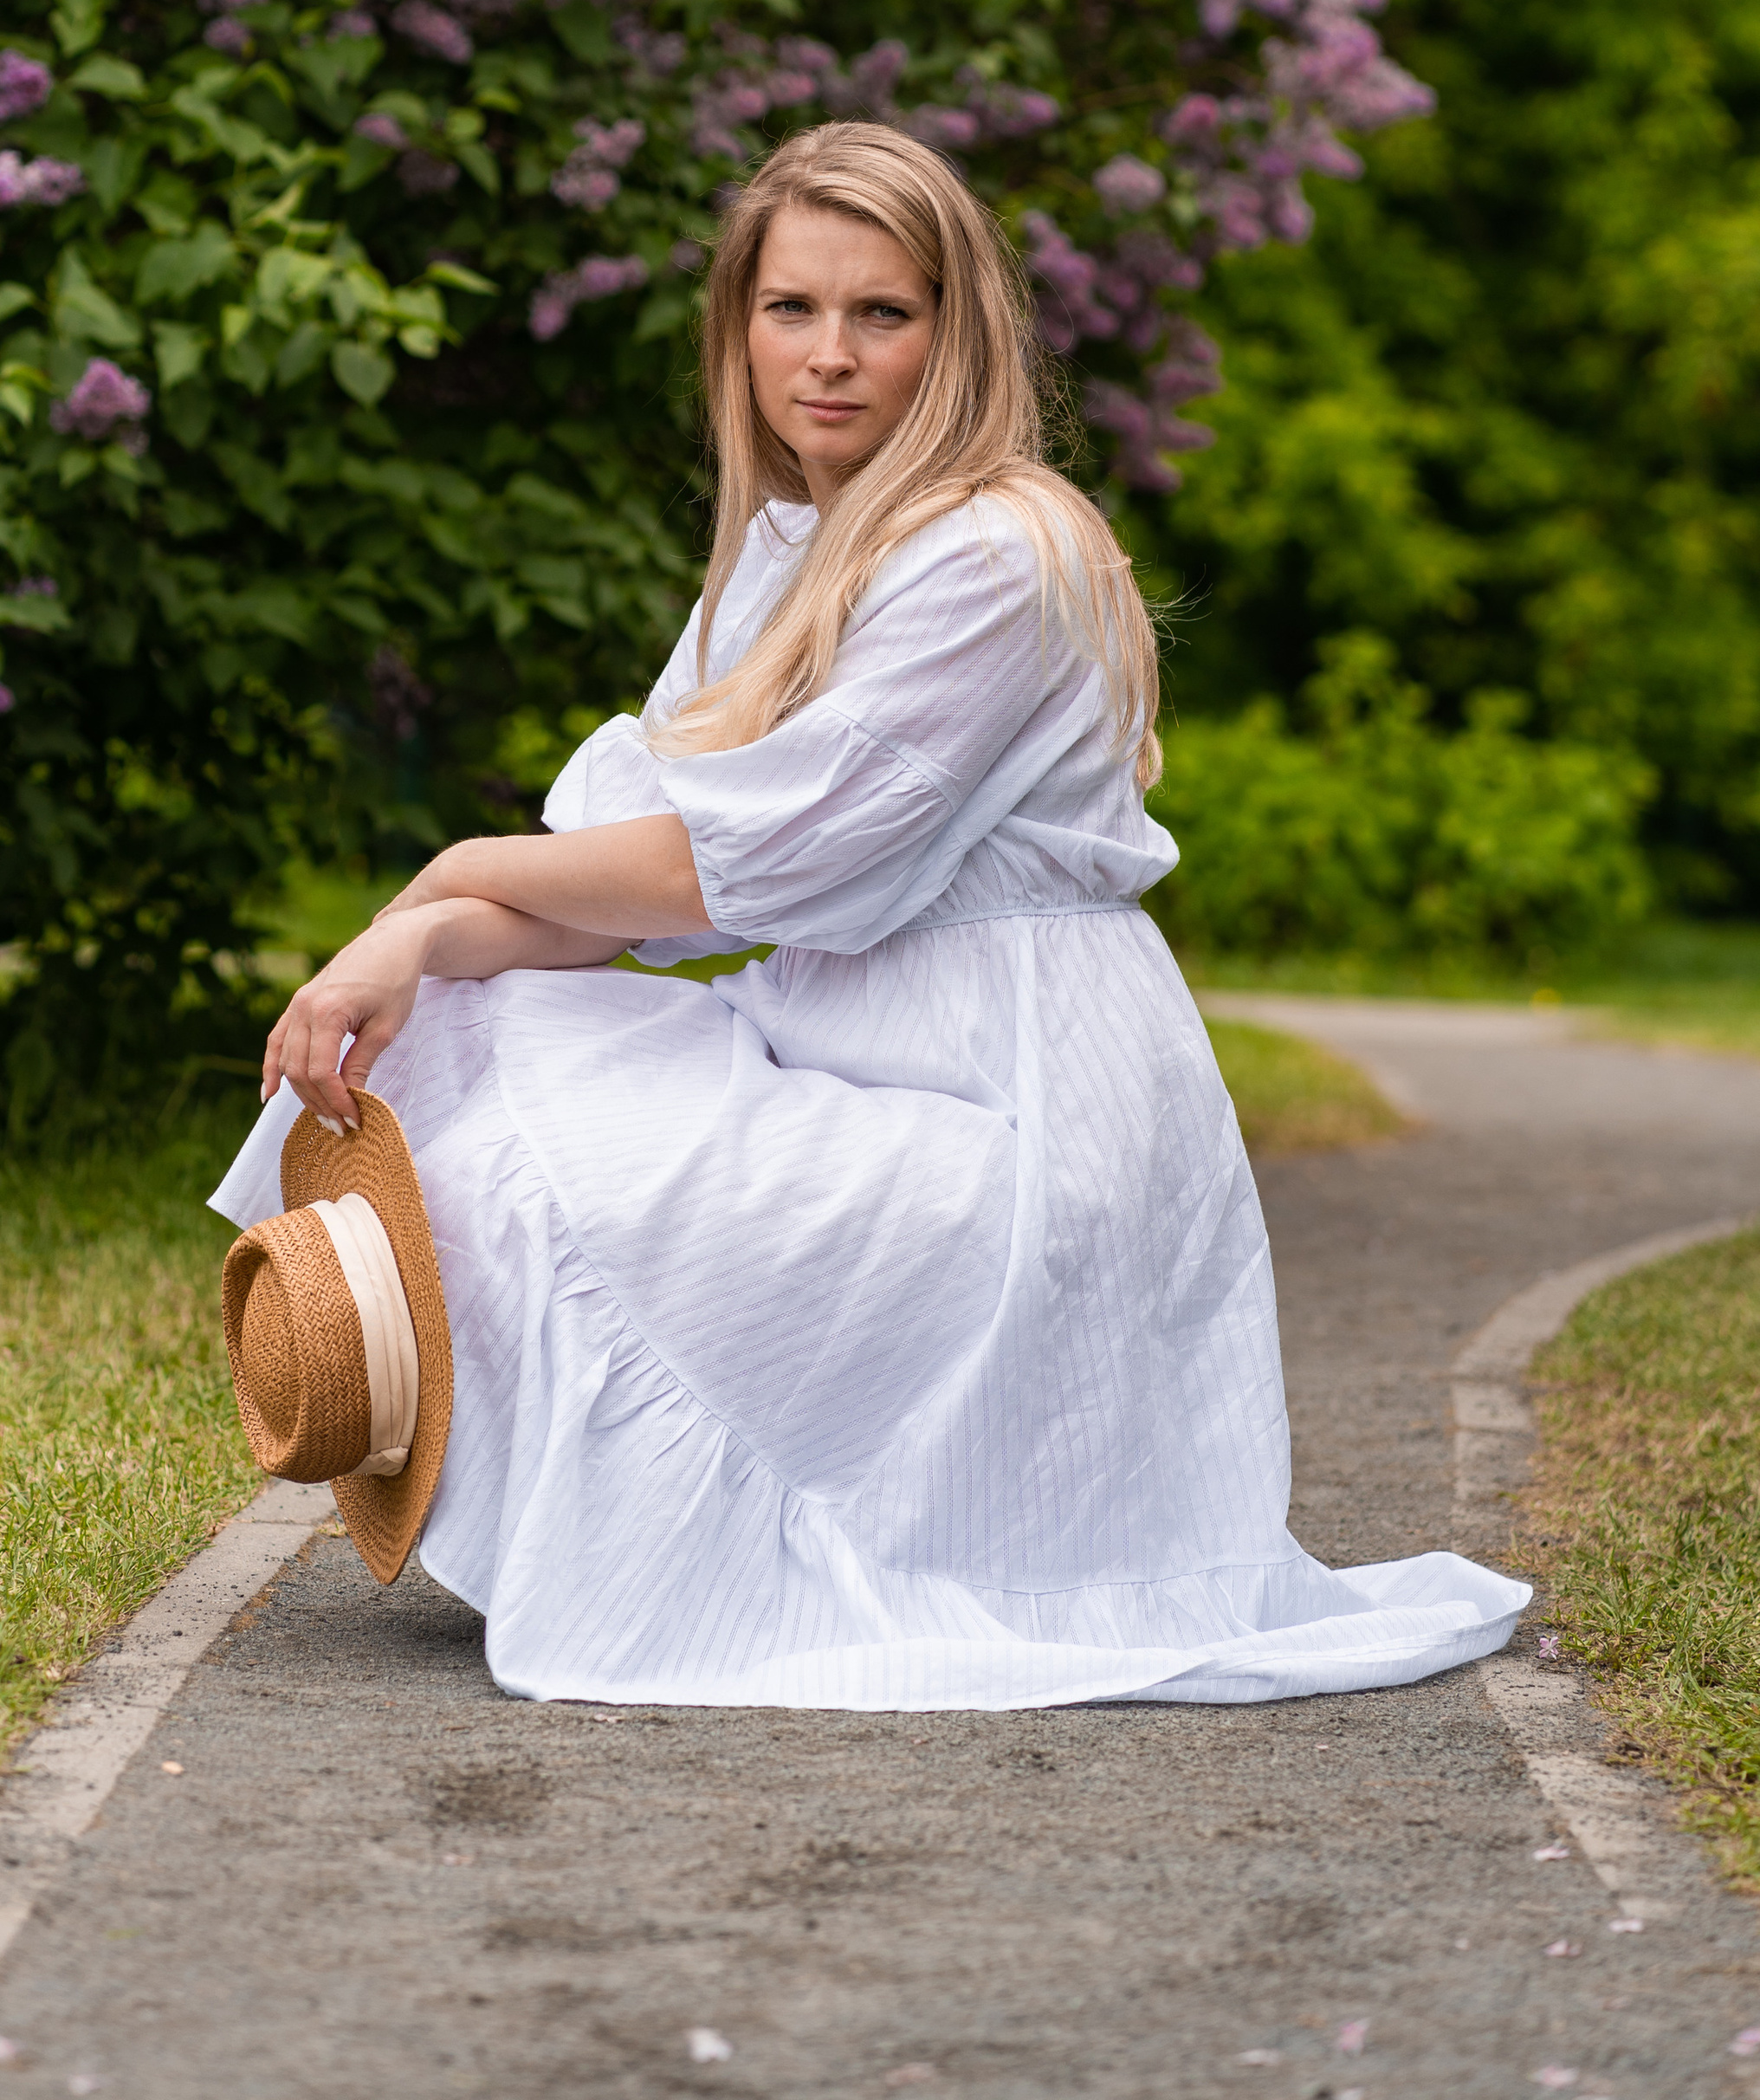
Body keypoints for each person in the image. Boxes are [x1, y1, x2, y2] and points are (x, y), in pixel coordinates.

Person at [210, 122, 1524, 1706]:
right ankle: (627, 1521)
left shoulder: (999, 551)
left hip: (1020, 1114)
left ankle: (743, 1549)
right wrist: (414, 947)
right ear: (738, 332)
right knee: (485, 1009)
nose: (829, 358)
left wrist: (436, 886)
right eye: (792, 312)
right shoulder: (776, 564)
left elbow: (736, 871)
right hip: (848, 1065)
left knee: (536, 1048)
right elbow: (627, 893)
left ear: (954, 334)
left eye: (881, 316)